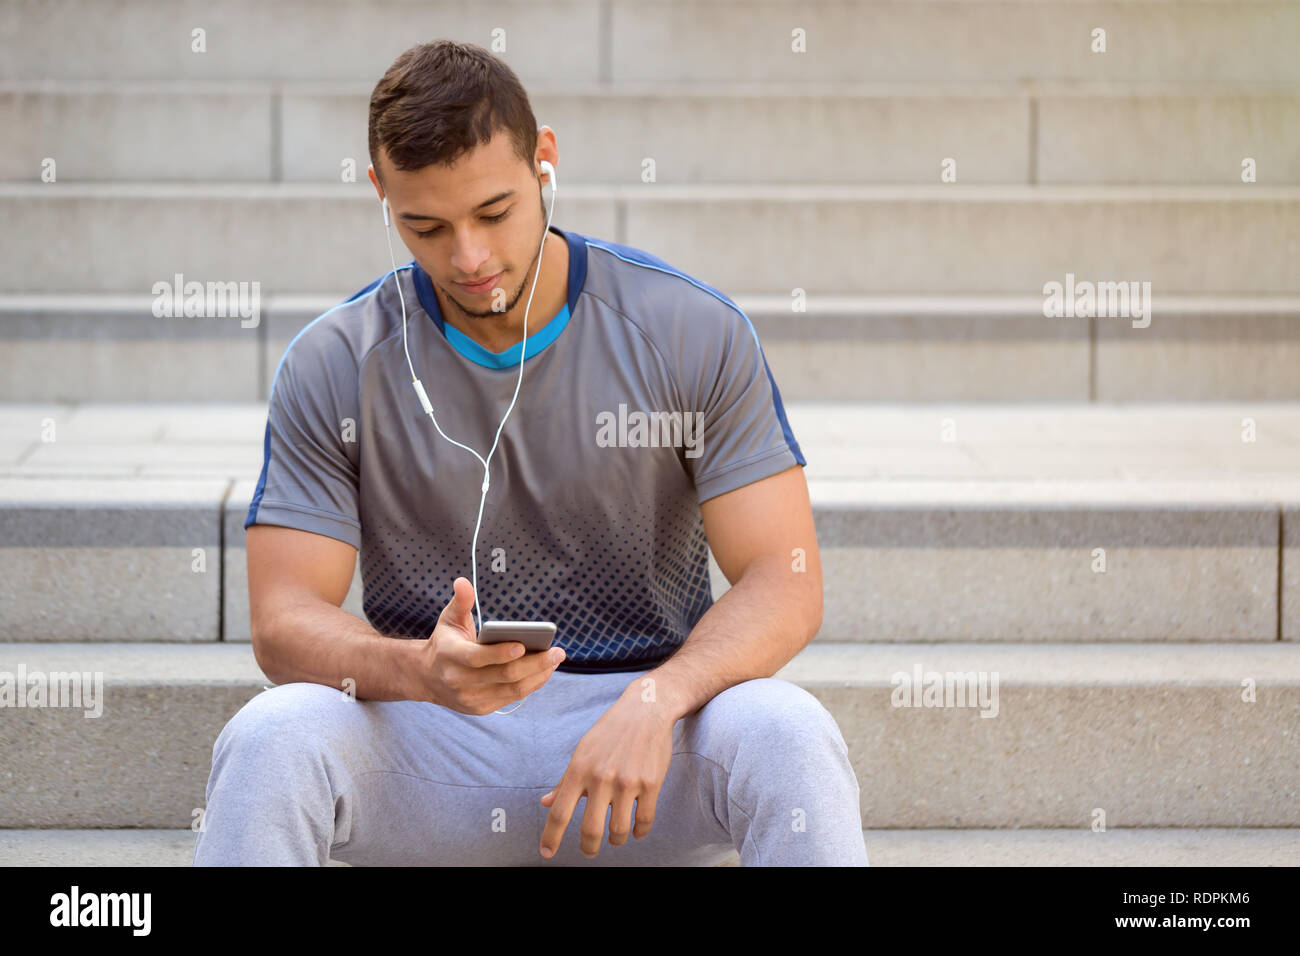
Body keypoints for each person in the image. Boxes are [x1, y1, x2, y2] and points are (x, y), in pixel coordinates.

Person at [193, 39, 867, 867]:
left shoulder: (688, 328)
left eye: (495, 211)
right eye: (426, 226)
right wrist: (419, 672)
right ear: (380, 194)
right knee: (270, 734)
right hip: (434, 737)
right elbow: (282, 619)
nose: (468, 258)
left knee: (790, 730)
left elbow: (786, 577)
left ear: (545, 160)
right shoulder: (334, 361)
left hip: (641, 748)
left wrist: (661, 698)